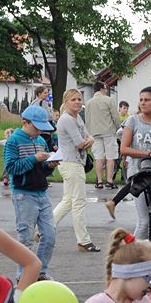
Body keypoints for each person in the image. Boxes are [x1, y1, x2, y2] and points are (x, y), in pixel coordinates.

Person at [3, 106, 57, 281]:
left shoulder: (40, 141)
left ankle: (39, 272)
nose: (39, 131)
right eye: (36, 127)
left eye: (42, 127)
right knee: (25, 238)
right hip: (23, 194)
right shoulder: (14, 141)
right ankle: (23, 275)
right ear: (25, 122)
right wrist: (34, 158)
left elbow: (41, 170)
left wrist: (49, 165)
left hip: (42, 192)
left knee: (49, 235)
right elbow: (11, 168)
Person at [112, 87, 151, 237]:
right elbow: (124, 149)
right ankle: (133, 255)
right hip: (139, 176)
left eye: (147, 100)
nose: (143, 103)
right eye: (141, 100)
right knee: (144, 221)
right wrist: (148, 153)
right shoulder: (133, 121)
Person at [53, 88, 100, 253]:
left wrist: (89, 140)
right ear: (66, 102)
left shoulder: (77, 117)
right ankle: (84, 241)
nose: (78, 102)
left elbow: (88, 137)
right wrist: (88, 141)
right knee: (79, 202)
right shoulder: (67, 119)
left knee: (68, 201)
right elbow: (80, 143)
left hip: (75, 162)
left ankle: (44, 229)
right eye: (74, 100)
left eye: (79, 99)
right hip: (71, 163)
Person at [84, 81, 122, 189]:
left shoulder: (89, 102)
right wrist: (118, 126)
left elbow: (87, 119)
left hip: (94, 132)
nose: (106, 90)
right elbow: (115, 116)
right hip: (109, 131)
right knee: (111, 156)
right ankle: (109, 180)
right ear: (101, 88)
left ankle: (99, 181)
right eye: (105, 88)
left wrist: (89, 132)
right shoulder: (109, 100)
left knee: (98, 157)